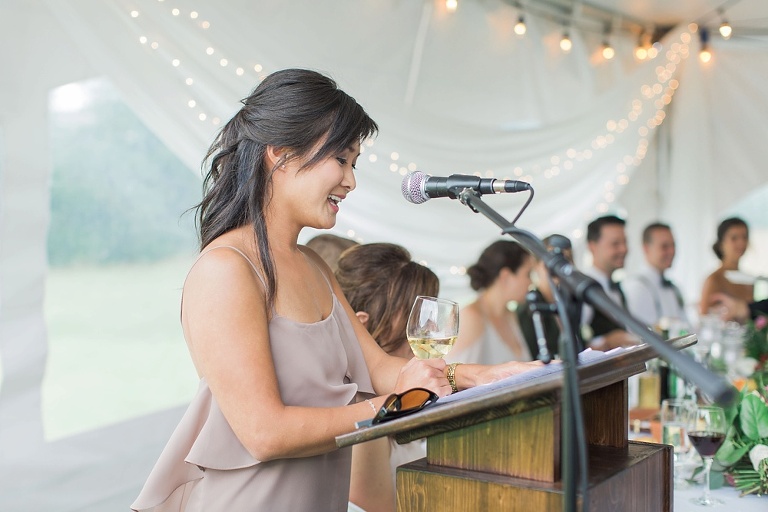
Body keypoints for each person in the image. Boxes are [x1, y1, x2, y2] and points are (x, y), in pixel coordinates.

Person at [130, 68, 541, 512]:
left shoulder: (313, 266)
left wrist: (484, 376)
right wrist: (395, 407)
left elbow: (383, 368)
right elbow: (264, 433)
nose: (351, 181)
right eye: (341, 160)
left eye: (353, 163)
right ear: (281, 155)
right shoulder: (225, 270)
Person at [335, 242, 438, 512]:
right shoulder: (362, 401)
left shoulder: (410, 388)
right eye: (414, 316)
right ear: (363, 323)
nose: (430, 328)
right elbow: (374, 507)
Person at [449, 240, 536, 365]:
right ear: (505, 276)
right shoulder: (470, 317)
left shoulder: (511, 315)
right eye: (528, 274)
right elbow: (454, 377)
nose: (531, 282)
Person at [581, 215, 638, 350]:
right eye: (615, 244)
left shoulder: (617, 288)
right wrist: (606, 341)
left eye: (625, 242)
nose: (624, 249)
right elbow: (575, 345)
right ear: (592, 247)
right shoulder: (582, 289)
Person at [622, 223, 689, 334]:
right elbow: (641, 335)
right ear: (646, 249)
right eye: (664, 246)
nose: (671, 251)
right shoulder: (637, 288)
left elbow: (687, 328)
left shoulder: (674, 288)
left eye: (673, 245)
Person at [517, 234, 574, 360]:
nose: (558, 267)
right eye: (551, 260)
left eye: (566, 259)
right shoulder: (528, 308)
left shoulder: (570, 301)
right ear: (536, 265)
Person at [699, 217, 753, 315]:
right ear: (721, 243)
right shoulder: (714, 279)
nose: (741, 243)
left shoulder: (748, 281)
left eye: (744, 237)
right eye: (734, 238)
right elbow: (704, 318)